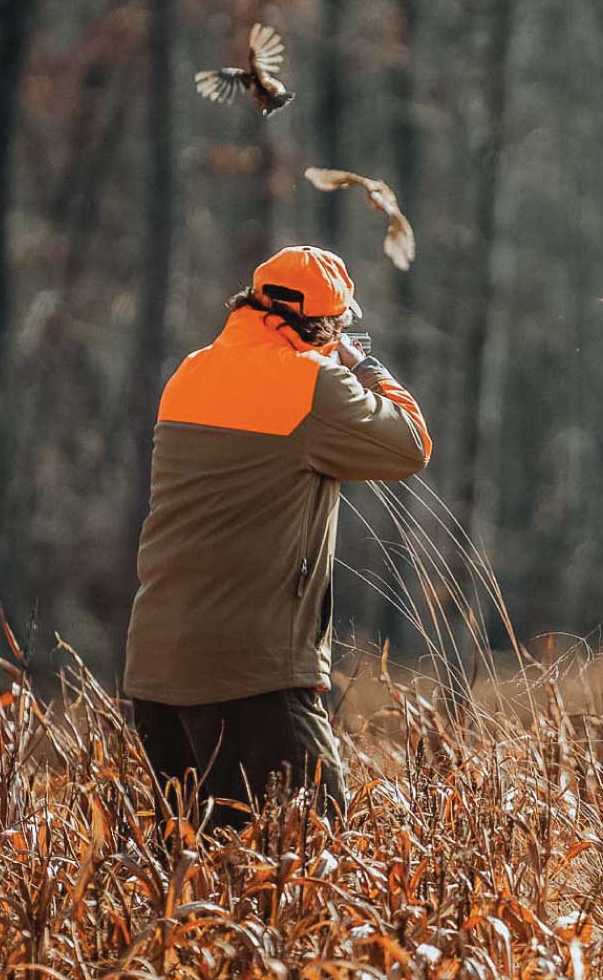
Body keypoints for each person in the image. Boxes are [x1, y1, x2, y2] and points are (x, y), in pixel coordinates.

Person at [123, 245, 431, 823]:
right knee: (313, 865)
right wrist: (363, 365)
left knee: (202, 879)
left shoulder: (190, 372)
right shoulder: (313, 383)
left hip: (156, 672)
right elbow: (410, 443)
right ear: (325, 325)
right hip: (252, 675)